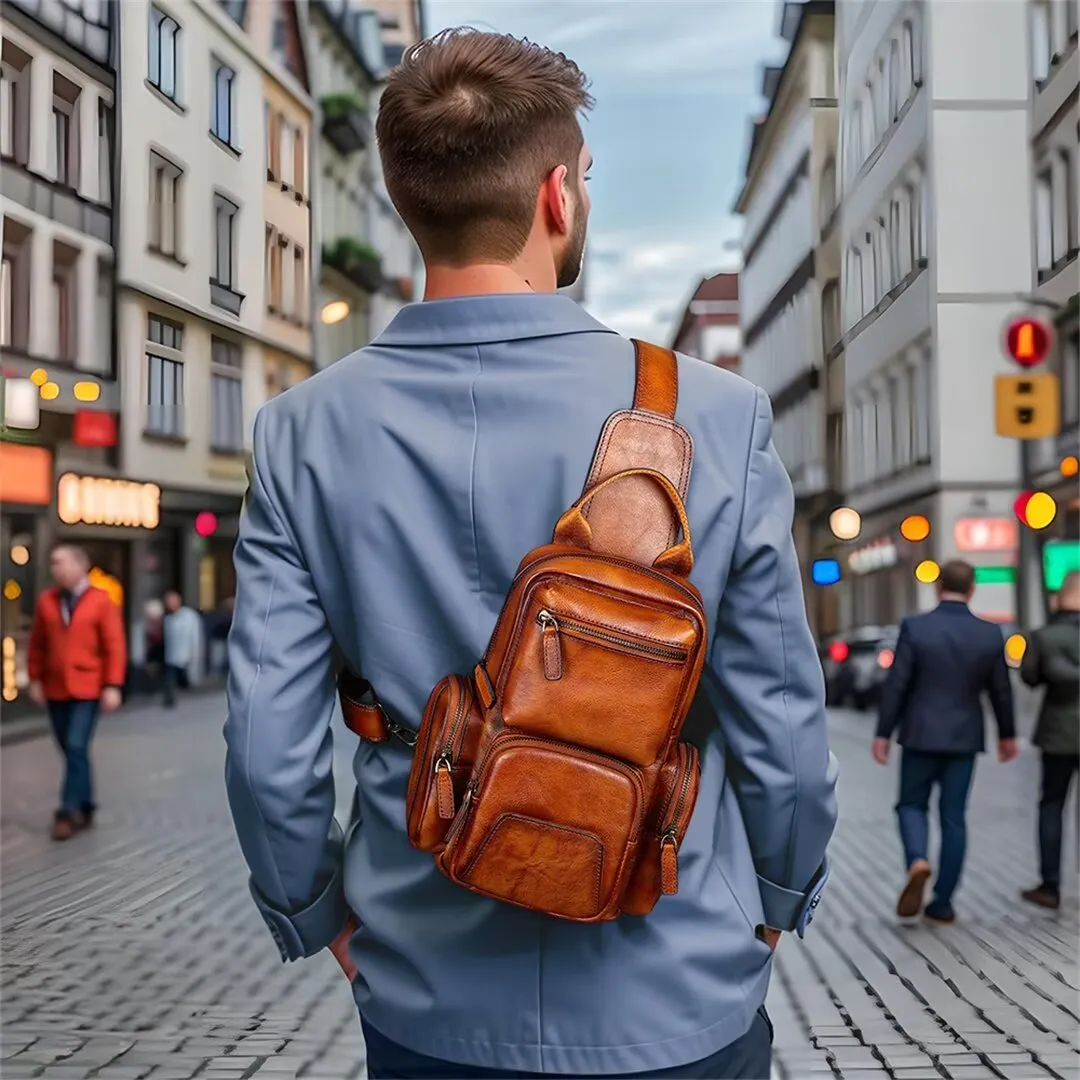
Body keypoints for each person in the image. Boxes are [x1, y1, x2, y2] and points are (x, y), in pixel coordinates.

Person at [224, 29, 837, 1080]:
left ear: (409, 200)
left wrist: (314, 911)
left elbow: (267, 747)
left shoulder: (302, 431)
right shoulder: (717, 415)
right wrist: (776, 901)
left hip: (427, 989)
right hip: (678, 983)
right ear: (559, 195)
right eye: (586, 178)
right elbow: (780, 715)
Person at [873, 559, 1017, 924]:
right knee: (954, 817)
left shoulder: (916, 627)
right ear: (971, 590)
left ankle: (917, 859)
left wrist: (883, 733)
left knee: (910, 805)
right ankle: (943, 902)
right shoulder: (989, 633)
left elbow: (897, 684)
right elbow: (1001, 690)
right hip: (964, 737)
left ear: (938, 587)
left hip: (920, 733)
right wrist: (1008, 734)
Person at [28, 543, 126, 840]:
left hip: (88, 687)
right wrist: (34, 679)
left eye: (62, 562)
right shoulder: (47, 601)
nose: (56, 568)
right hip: (56, 688)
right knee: (71, 750)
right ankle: (86, 803)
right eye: (53, 563)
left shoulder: (101, 601)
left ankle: (68, 812)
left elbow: (114, 645)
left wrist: (113, 685)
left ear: (80, 566)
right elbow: (37, 645)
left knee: (75, 746)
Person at [1019, 570, 1080, 910]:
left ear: (1060, 599)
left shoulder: (1045, 635)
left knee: (1052, 805)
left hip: (1057, 731)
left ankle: (1050, 886)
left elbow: (1029, 678)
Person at [162, 590, 201, 707]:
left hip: (186, 655)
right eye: (168, 602)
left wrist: (195, 653)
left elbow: (196, 636)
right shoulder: (167, 618)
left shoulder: (189, 616)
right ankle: (169, 699)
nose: (170, 604)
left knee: (186, 680)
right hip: (171, 657)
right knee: (170, 679)